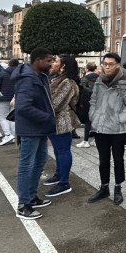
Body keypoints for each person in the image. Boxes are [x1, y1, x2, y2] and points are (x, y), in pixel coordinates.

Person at [11, 48, 56, 220]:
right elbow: (23, 107)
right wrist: (48, 118)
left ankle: (31, 197)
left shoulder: (39, 76)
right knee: (27, 164)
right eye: (48, 60)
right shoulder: (28, 79)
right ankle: (23, 205)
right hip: (31, 128)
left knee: (40, 160)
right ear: (37, 60)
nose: (51, 63)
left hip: (39, 128)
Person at [87, 53, 126, 206]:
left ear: (117, 65)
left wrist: (121, 118)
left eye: (110, 64)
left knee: (118, 159)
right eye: (105, 63)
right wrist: (93, 116)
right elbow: (93, 100)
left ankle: (117, 187)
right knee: (103, 160)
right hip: (101, 127)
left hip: (118, 129)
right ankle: (104, 187)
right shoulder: (99, 81)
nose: (107, 66)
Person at [42, 55, 81, 198]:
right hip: (54, 122)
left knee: (63, 151)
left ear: (63, 66)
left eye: (56, 61)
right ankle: (59, 175)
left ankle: (64, 182)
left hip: (63, 122)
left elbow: (57, 104)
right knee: (58, 151)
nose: (53, 63)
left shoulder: (68, 82)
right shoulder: (57, 79)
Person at [0, 59, 19, 146]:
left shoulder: (3, 73)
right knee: (12, 116)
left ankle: (8, 134)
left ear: (9, 64)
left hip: (3, 97)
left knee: (2, 116)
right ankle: (13, 135)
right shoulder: (20, 74)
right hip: (15, 97)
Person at [76, 62, 99, 148]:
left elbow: (81, 91)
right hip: (98, 102)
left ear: (86, 69)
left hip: (87, 103)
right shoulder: (100, 78)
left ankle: (85, 141)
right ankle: (96, 140)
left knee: (88, 122)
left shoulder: (84, 79)